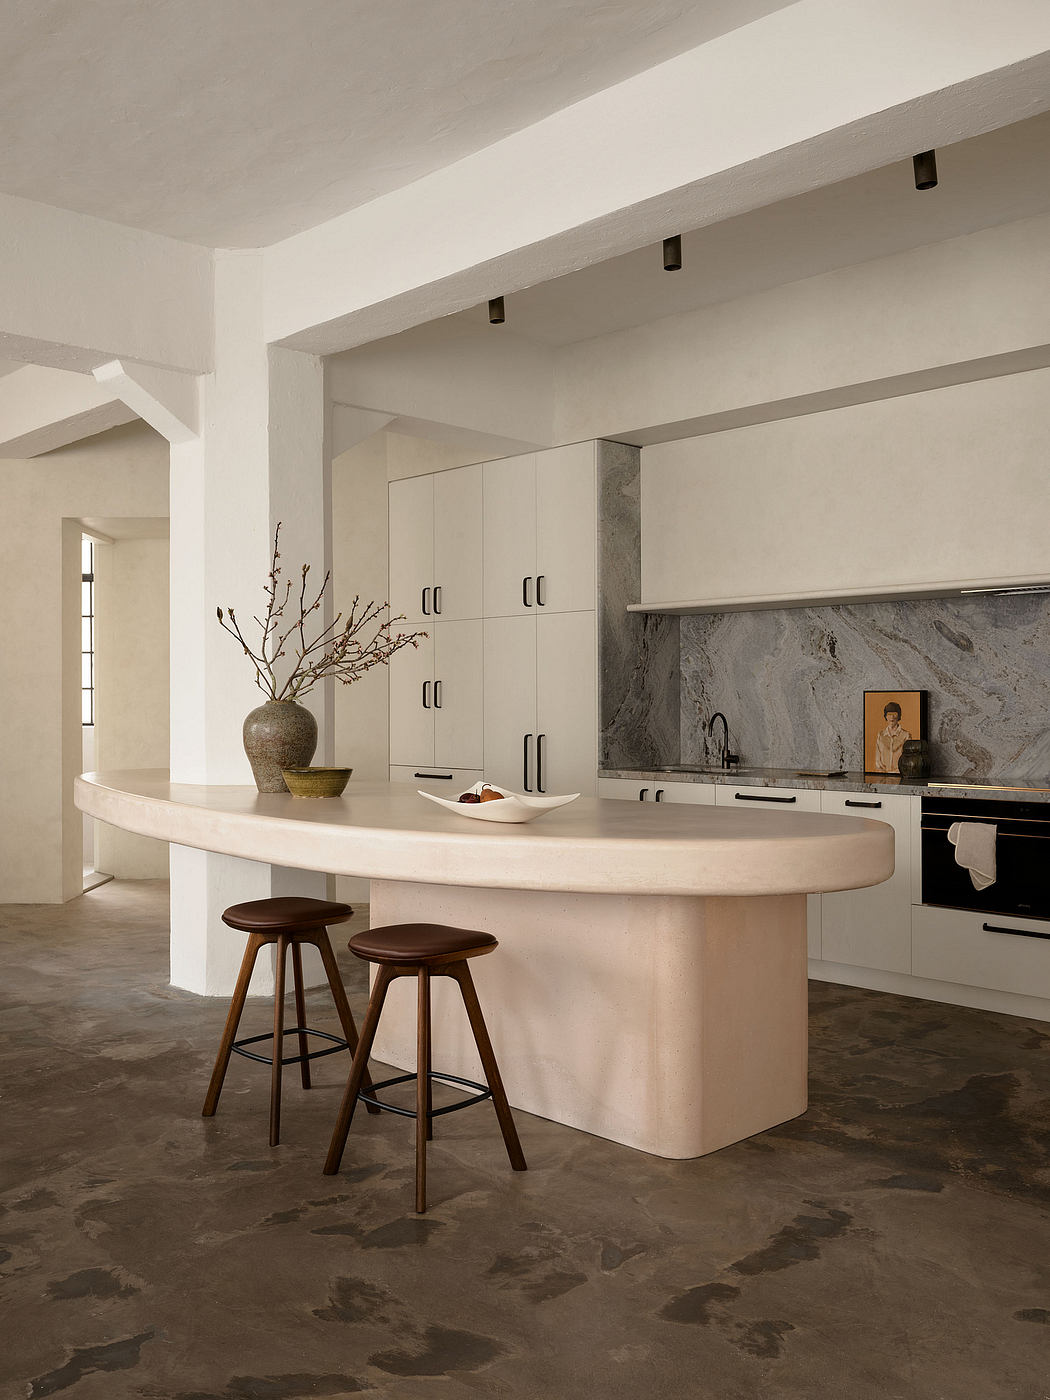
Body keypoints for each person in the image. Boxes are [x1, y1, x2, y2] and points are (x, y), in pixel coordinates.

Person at [874, 700, 911, 773]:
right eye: (889, 714)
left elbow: (908, 759)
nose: (892, 717)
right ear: (885, 716)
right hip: (882, 775)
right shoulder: (880, 735)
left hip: (900, 774)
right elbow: (878, 760)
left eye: (895, 714)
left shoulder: (906, 735)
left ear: (899, 716)